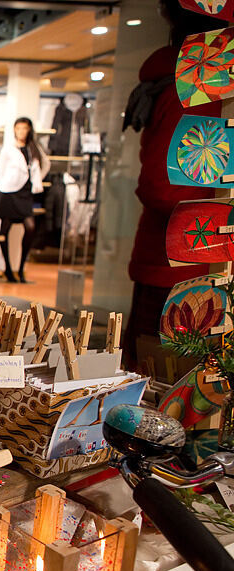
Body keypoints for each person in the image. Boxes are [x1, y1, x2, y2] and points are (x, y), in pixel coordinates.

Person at [122, 0, 224, 367]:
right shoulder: (197, 90)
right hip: (183, 263)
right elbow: (164, 186)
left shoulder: (193, 86)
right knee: (167, 389)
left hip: (183, 260)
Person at [0, 117, 49, 283]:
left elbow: (45, 164)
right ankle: (8, 269)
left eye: (25, 128)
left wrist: (36, 180)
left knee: (30, 227)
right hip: (8, 192)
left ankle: (21, 268)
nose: (22, 132)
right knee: (4, 231)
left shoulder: (33, 149)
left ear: (29, 130)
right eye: (19, 128)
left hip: (24, 193)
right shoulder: (8, 150)